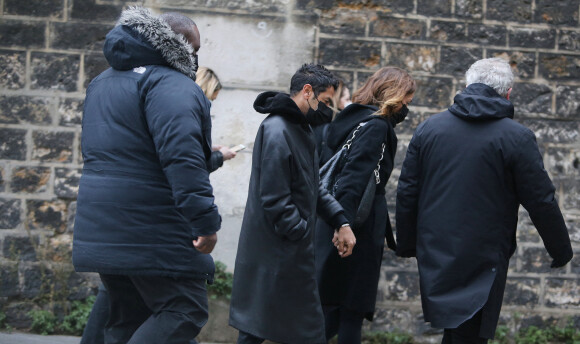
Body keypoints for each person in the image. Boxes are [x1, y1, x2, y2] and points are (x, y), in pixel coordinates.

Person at [395, 57, 573, 343]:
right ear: (508, 93)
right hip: (485, 253)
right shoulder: (517, 137)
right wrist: (560, 249)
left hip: (437, 248)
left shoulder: (429, 129)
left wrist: (406, 243)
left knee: (459, 331)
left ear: (468, 85)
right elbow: (541, 199)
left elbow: (407, 191)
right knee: (469, 333)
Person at [72, 7, 221, 344]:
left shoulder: (103, 82)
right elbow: (184, 160)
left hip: (104, 224)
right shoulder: (172, 85)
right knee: (185, 309)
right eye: (194, 50)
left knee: (128, 318)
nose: (196, 59)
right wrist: (204, 222)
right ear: (178, 44)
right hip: (151, 226)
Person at [228, 63, 356, 344]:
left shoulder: (300, 129)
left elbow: (313, 188)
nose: (327, 110)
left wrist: (340, 220)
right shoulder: (278, 130)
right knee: (263, 328)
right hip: (279, 253)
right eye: (324, 102)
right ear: (307, 91)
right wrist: (300, 232)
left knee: (263, 328)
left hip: (288, 254)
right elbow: (275, 199)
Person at [315, 67, 416, 344]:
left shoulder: (350, 119)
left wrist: (337, 220)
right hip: (356, 227)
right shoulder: (377, 126)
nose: (407, 108)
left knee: (331, 306)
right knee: (351, 310)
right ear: (393, 97)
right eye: (406, 101)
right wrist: (344, 224)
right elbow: (354, 177)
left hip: (335, 220)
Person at [194, 66, 238, 172]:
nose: (209, 105)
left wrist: (208, 149)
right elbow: (194, 165)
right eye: (210, 99)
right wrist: (220, 156)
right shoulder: (192, 115)